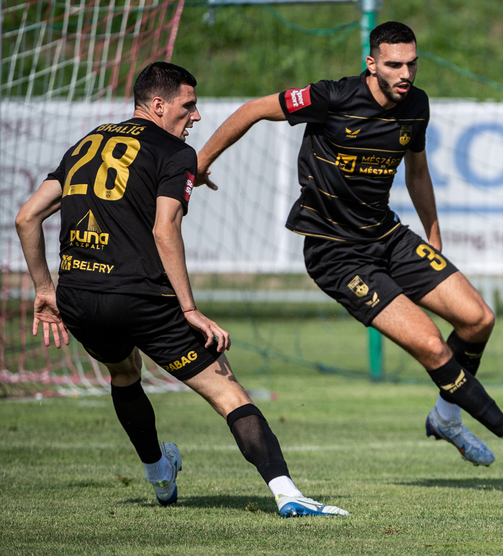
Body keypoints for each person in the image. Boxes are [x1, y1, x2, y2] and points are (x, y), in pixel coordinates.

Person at [195, 22, 503, 467]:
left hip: (387, 236)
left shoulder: (417, 105)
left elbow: (417, 172)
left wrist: (433, 237)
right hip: (335, 253)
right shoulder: (332, 97)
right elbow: (254, 109)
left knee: (478, 319)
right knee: (432, 345)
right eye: (394, 65)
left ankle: (446, 417)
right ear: (371, 64)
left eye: (412, 64)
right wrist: (199, 163)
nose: (405, 73)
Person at [15, 62, 347, 518]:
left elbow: (26, 217)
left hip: (79, 298)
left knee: (124, 374)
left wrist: (43, 289)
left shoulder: (88, 142)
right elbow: (165, 228)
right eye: (188, 105)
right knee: (229, 394)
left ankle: (158, 472)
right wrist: (189, 309)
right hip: (143, 300)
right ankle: (288, 493)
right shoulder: (174, 151)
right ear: (158, 104)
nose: (196, 115)